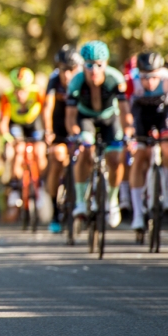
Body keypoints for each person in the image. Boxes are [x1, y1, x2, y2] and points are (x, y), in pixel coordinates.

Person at [66, 41, 134, 228]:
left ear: (106, 64)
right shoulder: (76, 82)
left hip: (109, 119)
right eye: (89, 65)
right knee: (86, 151)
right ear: (83, 65)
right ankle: (81, 201)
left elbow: (125, 111)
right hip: (85, 118)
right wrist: (76, 133)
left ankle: (112, 202)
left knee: (115, 159)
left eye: (99, 64)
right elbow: (70, 118)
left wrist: (128, 130)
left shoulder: (115, 79)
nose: (94, 69)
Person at [126, 52, 168, 232]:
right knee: (139, 156)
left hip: (164, 113)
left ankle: (167, 183)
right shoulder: (131, 81)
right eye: (145, 77)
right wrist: (129, 133)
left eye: (154, 76)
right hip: (140, 115)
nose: (150, 82)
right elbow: (126, 113)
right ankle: (138, 214)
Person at [0, 67, 47, 220]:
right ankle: (15, 187)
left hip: (34, 124)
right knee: (18, 150)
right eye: (17, 90)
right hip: (16, 125)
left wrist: (48, 131)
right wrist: (6, 137)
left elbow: (47, 112)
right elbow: (3, 121)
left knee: (39, 151)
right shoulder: (7, 96)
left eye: (23, 90)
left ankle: (41, 183)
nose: (20, 94)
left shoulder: (38, 93)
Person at [43, 46, 83, 233]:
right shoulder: (53, 80)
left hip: (79, 123)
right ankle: (54, 211)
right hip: (58, 125)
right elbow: (47, 107)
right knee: (57, 158)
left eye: (71, 69)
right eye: (63, 69)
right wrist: (48, 131)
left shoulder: (84, 78)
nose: (67, 75)